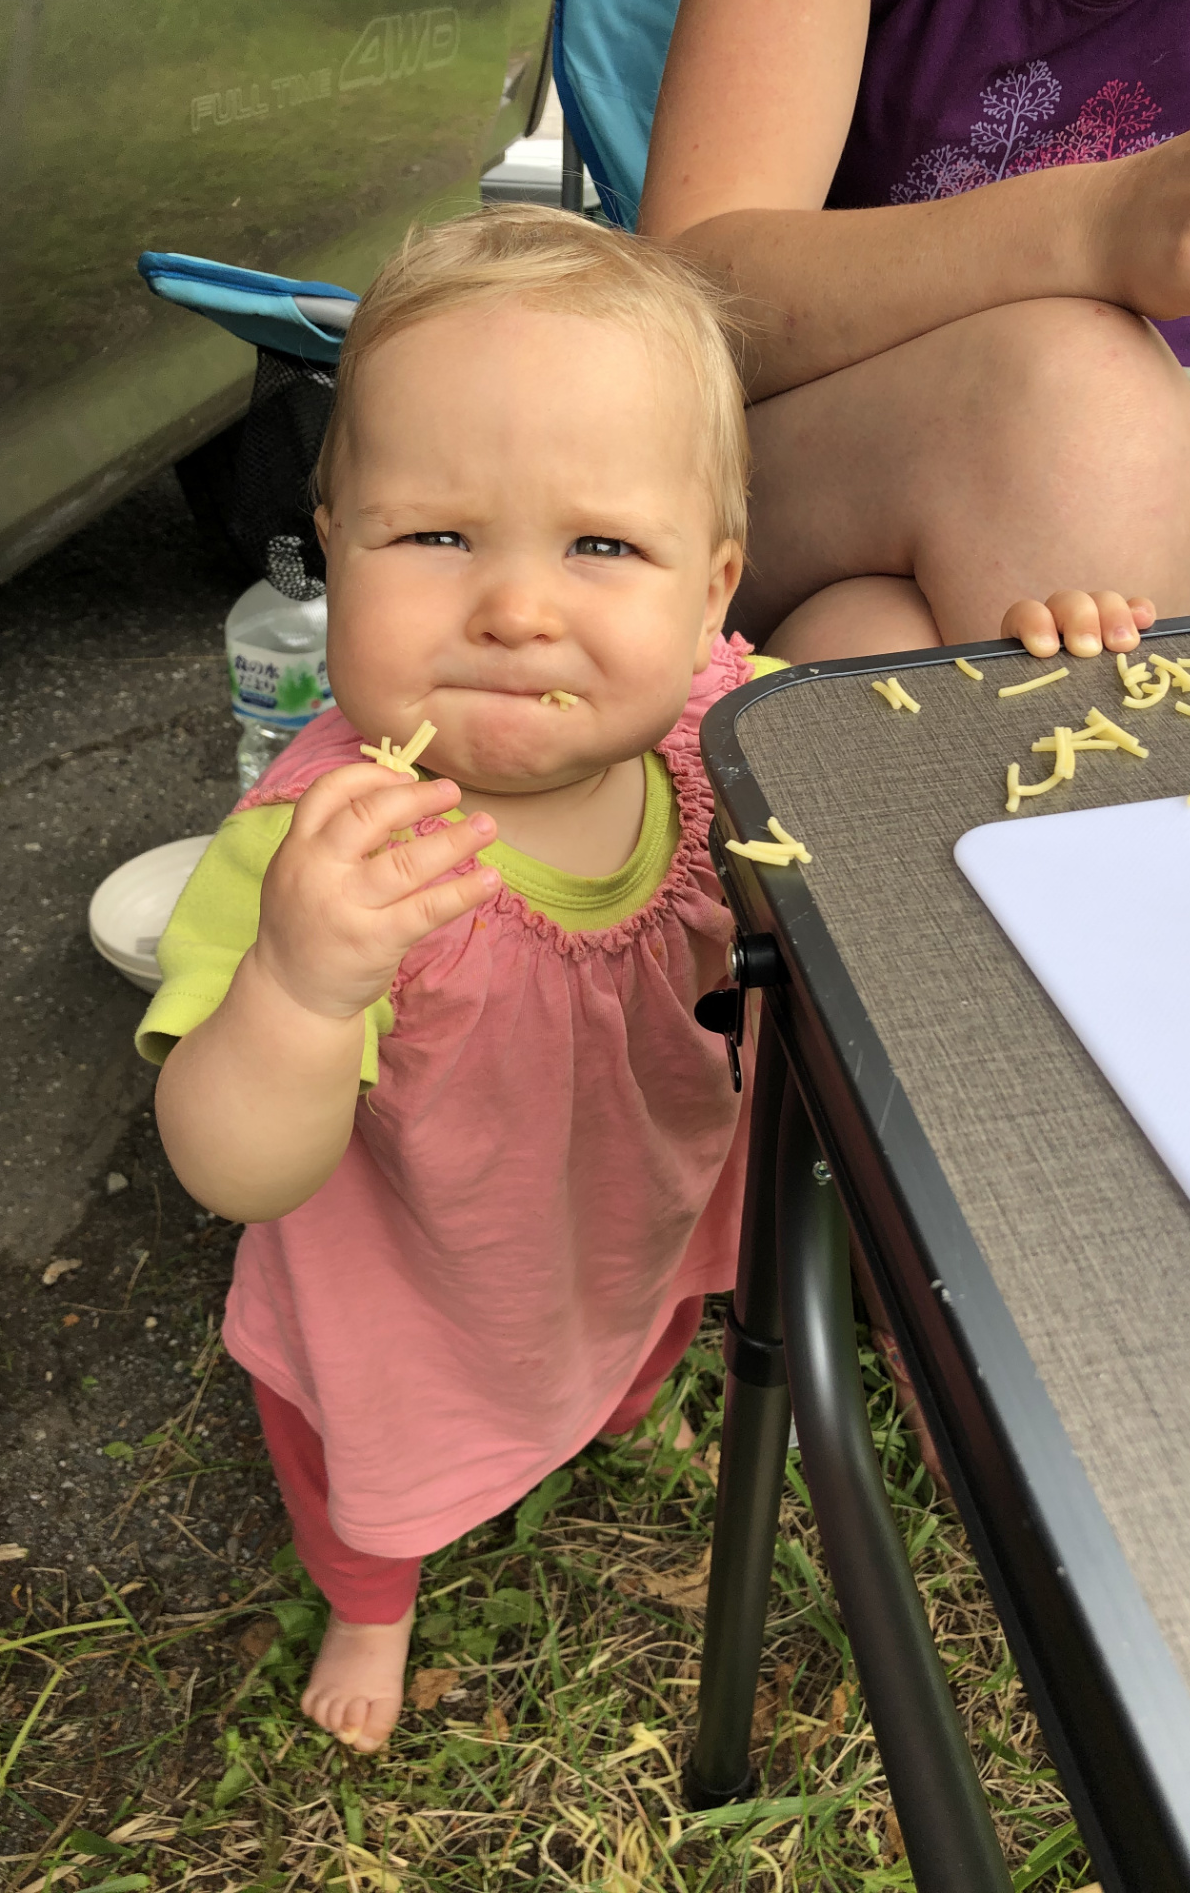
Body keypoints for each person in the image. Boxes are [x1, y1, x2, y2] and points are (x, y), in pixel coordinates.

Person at [137, 205, 786, 1754]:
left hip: (627, 1199)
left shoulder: (727, 723)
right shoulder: (325, 852)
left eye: (601, 546)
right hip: (417, 1277)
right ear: (333, 542)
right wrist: (298, 989)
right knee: (371, 1448)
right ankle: (372, 1596)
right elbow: (230, 1169)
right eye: (435, 537)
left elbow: (901, 783)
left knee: (640, 1314)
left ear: (712, 590)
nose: (514, 607)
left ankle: (613, 1407)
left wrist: (1041, 664)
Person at [640, 0, 1190, 666]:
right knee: (1081, 389)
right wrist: (1096, 222)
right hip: (808, 429)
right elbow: (682, 305)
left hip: (1187, 438)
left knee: (870, 645)